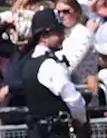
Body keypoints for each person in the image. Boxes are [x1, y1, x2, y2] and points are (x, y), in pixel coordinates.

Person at [21, 8, 88, 138]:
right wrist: (82, 121)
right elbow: (73, 99)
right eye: (58, 32)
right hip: (55, 132)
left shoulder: (28, 63)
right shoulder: (51, 65)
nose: (62, 36)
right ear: (44, 37)